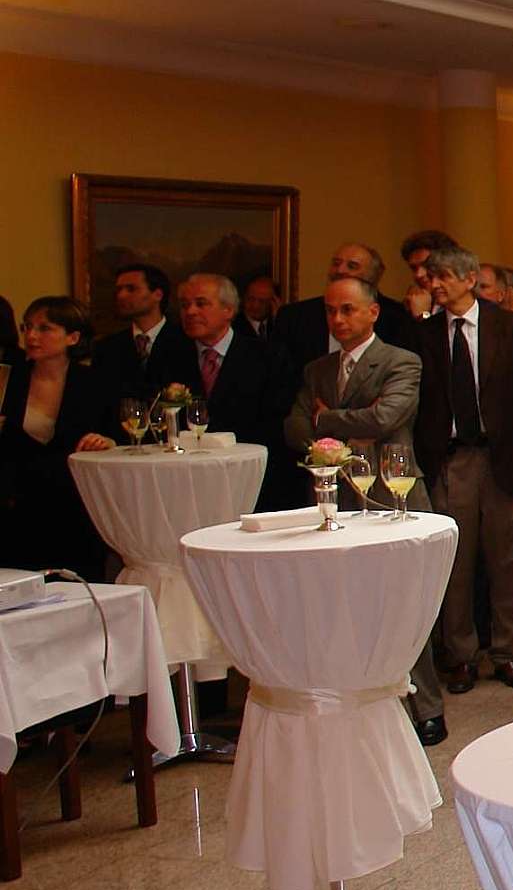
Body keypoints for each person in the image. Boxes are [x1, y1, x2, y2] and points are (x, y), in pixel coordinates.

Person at [282, 276, 446, 743]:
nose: (338, 319)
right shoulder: (317, 369)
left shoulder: (401, 360)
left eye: (348, 310)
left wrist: (326, 418)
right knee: (344, 603)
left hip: (392, 492)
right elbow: (294, 429)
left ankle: (426, 706)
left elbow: (386, 417)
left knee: (404, 602)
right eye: (331, 311)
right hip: (334, 497)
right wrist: (341, 427)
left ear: (372, 312)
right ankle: (355, 701)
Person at [415, 246, 513, 694]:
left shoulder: (509, 326)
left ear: (469, 279)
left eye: (445, 277)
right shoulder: (425, 333)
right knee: (455, 562)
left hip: (503, 457)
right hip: (451, 459)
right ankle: (461, 655)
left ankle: (507, 652)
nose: (436, 285)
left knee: (506, 558)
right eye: (431, 278)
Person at [0, 295, 116, 581]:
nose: (32, 336)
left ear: (73, 337)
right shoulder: (8, 378)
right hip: (17, 508)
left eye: (44, 328)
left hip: (75, 505)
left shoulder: (95, 382)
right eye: (27, 327)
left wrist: (106, 441)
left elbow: (119, 435)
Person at [159, 274, 298, 509]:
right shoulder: (170, 356)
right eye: (184, 305)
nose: (190, 312)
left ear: (229, 310)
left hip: (252, 481)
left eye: (201, 304)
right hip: (185, 484)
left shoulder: (268, 356)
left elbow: (276, 422)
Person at [273, 243, 418, 362]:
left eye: (352, 266)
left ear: (374, 276)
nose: (340, 270)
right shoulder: (293, 316)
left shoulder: (397, 316)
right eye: (336, 264)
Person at [87, 262, 173, 399]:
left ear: (157, 294)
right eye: (119, 290)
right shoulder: (107, 347)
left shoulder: (185, 341)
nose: (121, 295)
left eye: (131, 289)